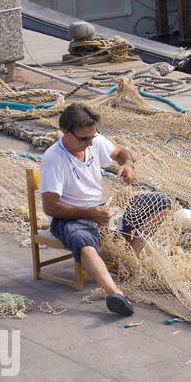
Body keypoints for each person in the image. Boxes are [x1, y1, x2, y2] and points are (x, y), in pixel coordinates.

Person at [40, 102, 170, 316]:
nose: (90, 143)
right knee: (84, 243)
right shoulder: (54, 159)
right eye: (84, 139)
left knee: (161, 202)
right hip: (71, 219)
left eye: (93, 136)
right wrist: (88, 213)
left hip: (104, 212)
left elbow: (121, 153)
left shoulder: (94, 142)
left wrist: (128, 164)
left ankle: (130, 258)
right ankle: (115, 293)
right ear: (65, 131)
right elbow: (50, 206)